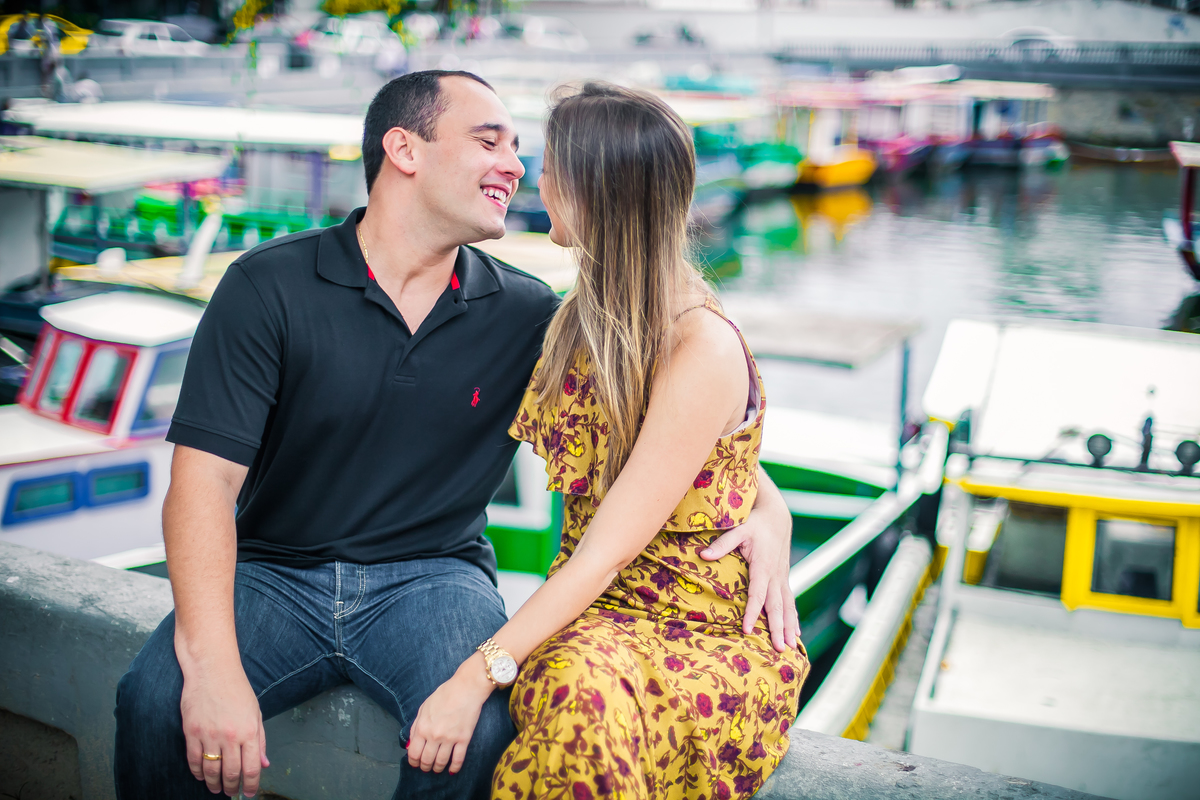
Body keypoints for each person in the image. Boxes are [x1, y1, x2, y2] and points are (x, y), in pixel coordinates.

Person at [112, 70, 797, 800]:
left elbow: (687, 428)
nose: (517, 166)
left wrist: (769, 507)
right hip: (275, 573)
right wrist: (213, 671)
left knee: (487, 731)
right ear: (404, 149)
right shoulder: (266, 286)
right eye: (489, 141)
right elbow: (203, 482)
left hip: (431, 579)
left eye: (524, 149)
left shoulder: (531, 316)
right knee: (153, 703)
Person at [404, 83, 808, 800]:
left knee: (578, 701)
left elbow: (608, 548)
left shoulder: (699, 343)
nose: (536, 176)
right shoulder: (582, 316)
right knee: (571, 686)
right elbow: (711, 458)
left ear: (598, 191)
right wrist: (773, 508)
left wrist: (474, 678)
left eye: (552, 163)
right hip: (598, 609)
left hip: (694, 624)